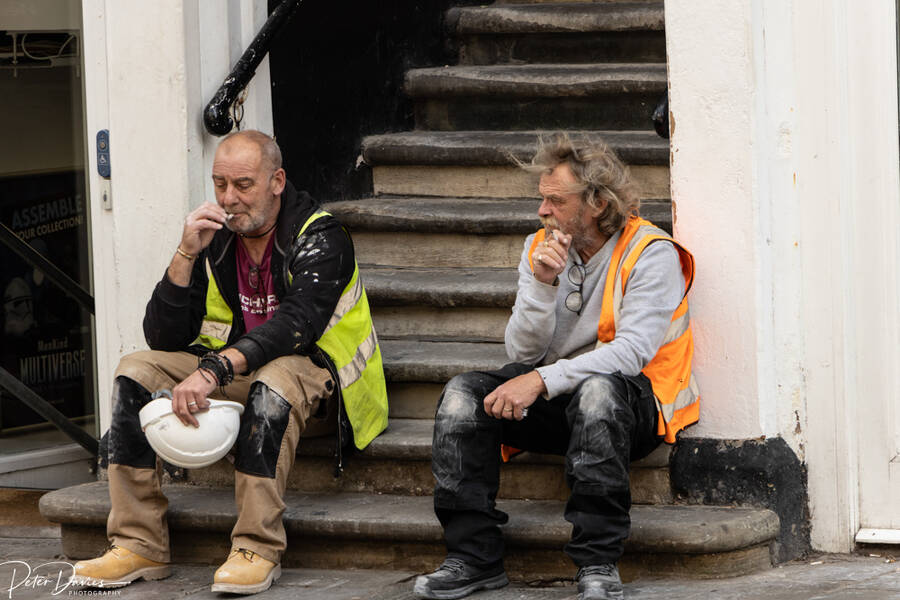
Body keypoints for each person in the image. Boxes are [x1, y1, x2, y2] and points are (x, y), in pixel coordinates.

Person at [70, 130, 387, 595]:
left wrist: (214, 370)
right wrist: (185, 253)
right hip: (241, 373)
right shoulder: (217, 239)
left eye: (243, 185)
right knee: (136, 369)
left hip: (320, 382)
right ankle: (138, 543)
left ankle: (256, 547)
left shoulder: (322, 235)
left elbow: (295, 325)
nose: (228, 198)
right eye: (220, 185)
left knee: (275, 379)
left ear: (277, 181)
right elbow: (163, 337)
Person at [414, 134, 699, 600]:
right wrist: (543, 287)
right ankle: (473, 558)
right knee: (462, 396)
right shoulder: (539, 249)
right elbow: (521, 352)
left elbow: (630, 354)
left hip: (634, 408)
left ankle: (598, 564)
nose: (542, 211)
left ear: (597, 204)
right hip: (558, 400)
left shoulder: (652, 253)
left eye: (555, 201)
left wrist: (540, 380)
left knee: (599, 392)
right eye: (542, 199)